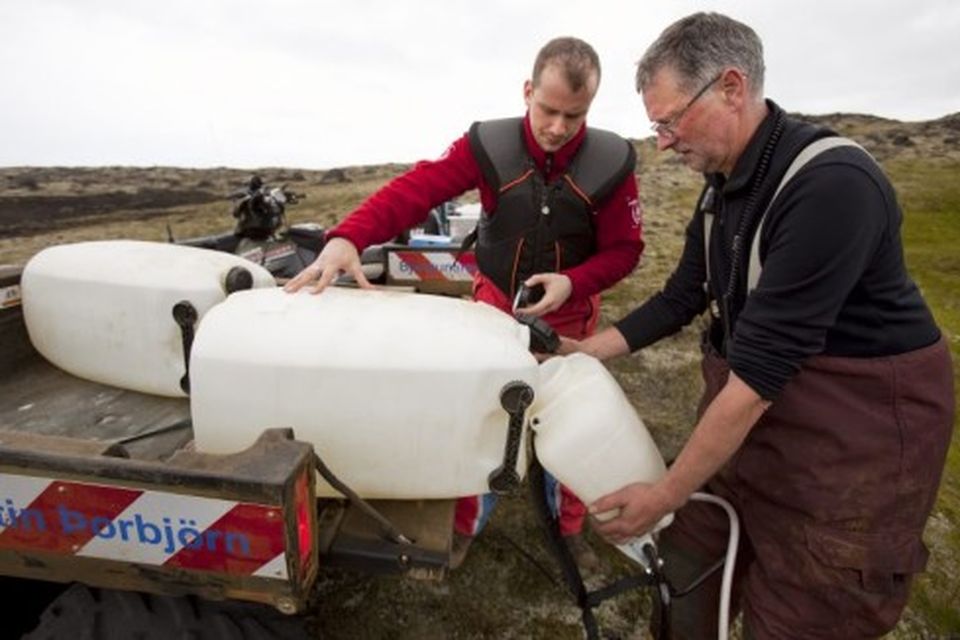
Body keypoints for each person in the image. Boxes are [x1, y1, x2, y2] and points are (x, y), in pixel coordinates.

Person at [561, 12, 955, 639]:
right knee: (686, 571)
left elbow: (760, 373)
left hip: (849, 453)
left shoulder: (831, 185)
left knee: (801, 610)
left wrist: (664, 495)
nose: (661, 142)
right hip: (752, 434)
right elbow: (682, 295)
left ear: (731, 87)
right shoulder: (722, 183)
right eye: (654, 125)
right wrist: (586, 351)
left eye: (668, 121)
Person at [284, 37, 645, 571]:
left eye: (575, 115)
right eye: (547, 110)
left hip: (568, 318)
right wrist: (348, 238)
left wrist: (575, 281)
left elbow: (626, 249)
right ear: (527, 91)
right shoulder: (488, 145)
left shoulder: (612, 161)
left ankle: (568, 529)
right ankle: (463, 526)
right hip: (494, 309)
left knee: (570, 418)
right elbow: (417, 189)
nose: (557, 127)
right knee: (483, 417)